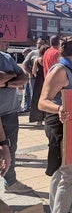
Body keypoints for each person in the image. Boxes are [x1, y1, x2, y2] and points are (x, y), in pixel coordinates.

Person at [38, 36, 72, 213]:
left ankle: (56, 209)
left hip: (69, 126)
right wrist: (59, 108)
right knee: (71, 174)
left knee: (61, 172)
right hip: (61, 127)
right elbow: (42, 102)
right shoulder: (61, 70)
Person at [0, 32, 32, 193]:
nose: (7, 42)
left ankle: (10, 182)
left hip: (10, 112)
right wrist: (12, 77)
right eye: (3, 39)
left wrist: (6, 82)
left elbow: (24, 78)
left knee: (10, 149)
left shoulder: (6, 58)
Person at [22, 38, 47, 112]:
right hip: (33, 78)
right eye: (38, 43)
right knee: (35, 96)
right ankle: (36, 114)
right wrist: (31, 73)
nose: (39, 45)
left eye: (41, 43)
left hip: (45, 78)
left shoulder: (47, 52)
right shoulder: (32, 53)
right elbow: (24, 65)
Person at [29, 44, 49, 125]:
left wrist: (37, 76)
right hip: (47, 80)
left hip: (39, 81)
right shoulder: (48, 59)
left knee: (37, 98)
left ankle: (39, 121)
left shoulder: (37, 60)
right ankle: (47, 118)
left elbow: (34, 71)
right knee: (47, 98)